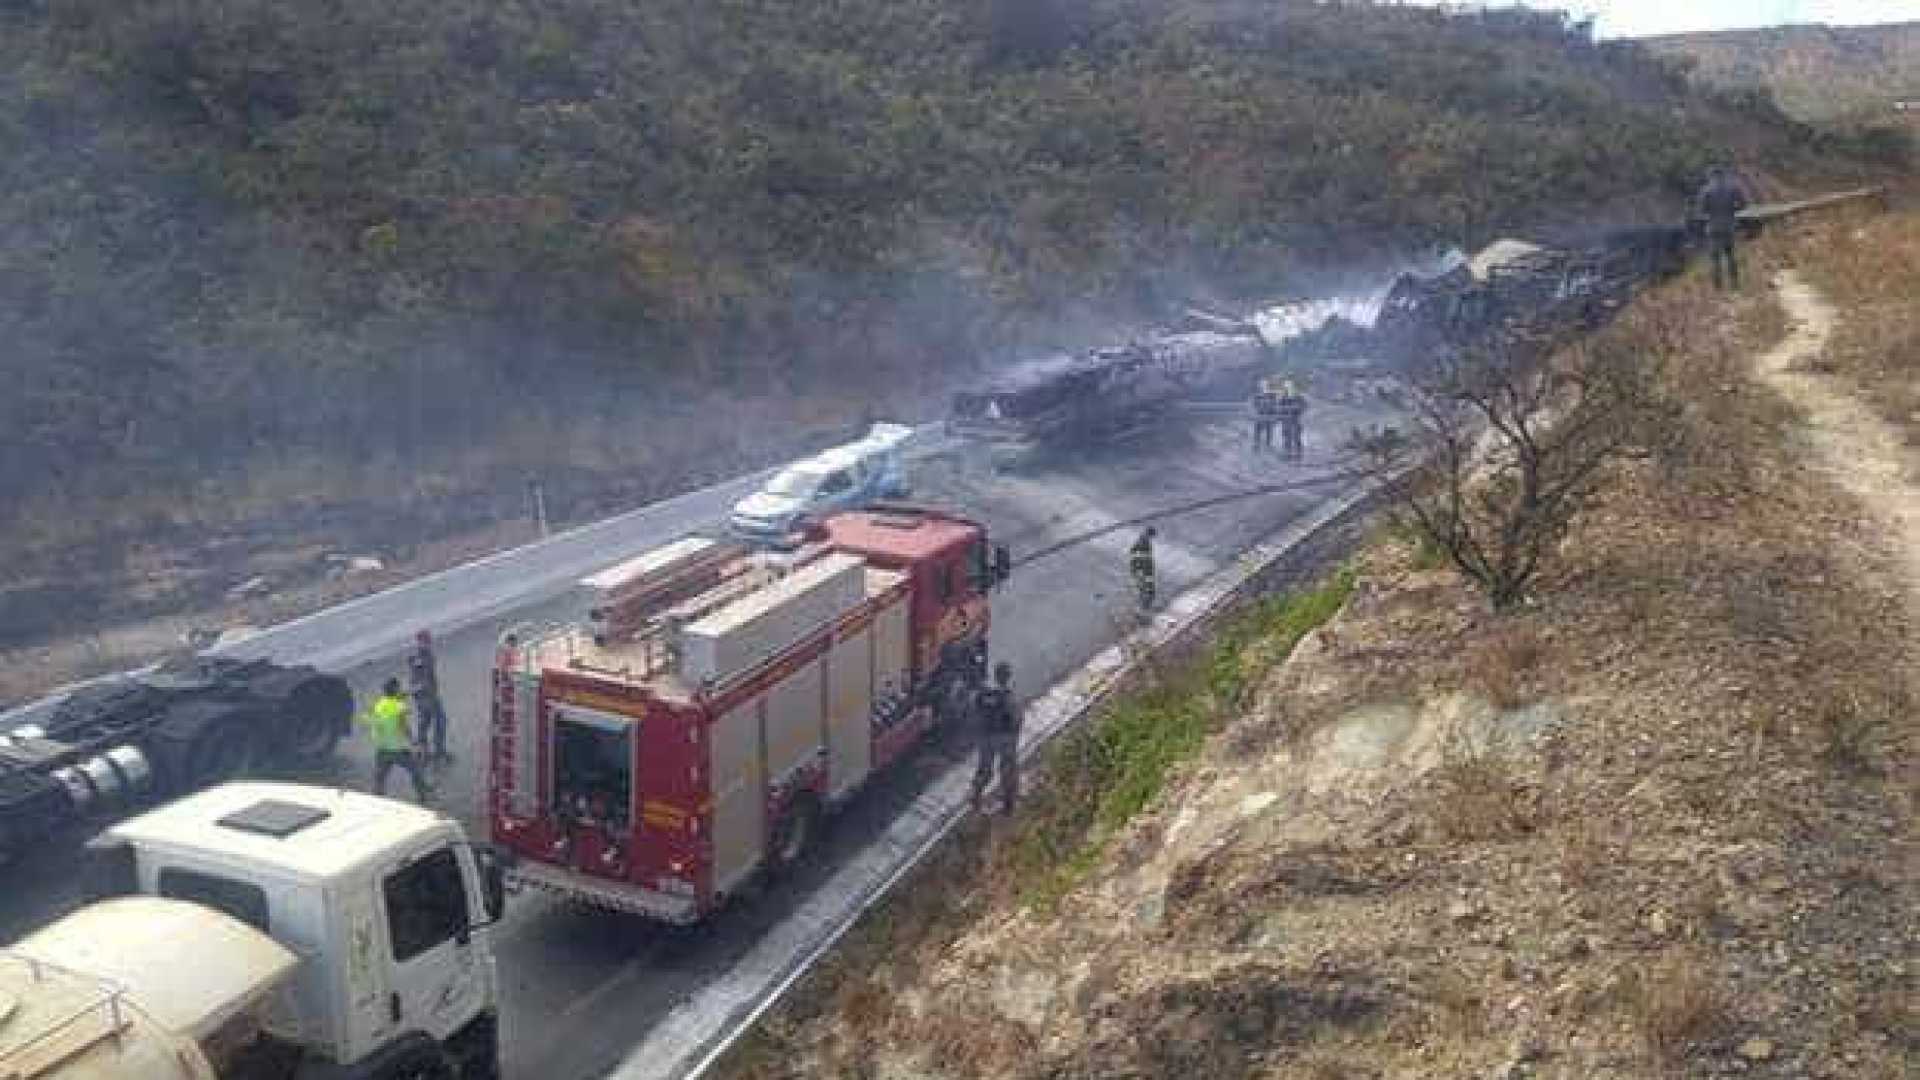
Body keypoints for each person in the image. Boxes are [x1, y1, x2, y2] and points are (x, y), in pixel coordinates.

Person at [360, 677, 432, 803]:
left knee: (380, 777)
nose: (400, 689)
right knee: (415, 769)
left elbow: (371, 718)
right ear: (395, 689)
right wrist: (414, 742)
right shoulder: (398, 706)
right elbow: (403, 726)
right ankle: (423, 794)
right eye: (398, 687)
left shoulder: (380, 704)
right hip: (397, 748)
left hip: (382, 748)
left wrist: (415, 690)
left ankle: (377, 797)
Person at [969, 662, 1021, 814]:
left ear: (996, 675)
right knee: (1008, 769)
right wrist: (1015, 733)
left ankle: (976, 797)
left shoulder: (984, 693)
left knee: (984, 769)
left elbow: (974, 711)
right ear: (1007, 676)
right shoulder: (1008, 695)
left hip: (985, 737)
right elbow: (1015, 717)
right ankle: (1008, 804)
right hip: (1005, 737)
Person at [1695, 166, 1750, 290]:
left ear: (1711, 176)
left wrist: (1710, 214)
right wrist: (1732, 210)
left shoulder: (1706, 190)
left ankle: (1718, 287)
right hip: (1729, 226)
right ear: (1723, 175)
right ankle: (1735, 285)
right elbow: (1743, 205)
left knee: (1715, 258)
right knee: (1730, 256)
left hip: (1713, 227)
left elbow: (1701, 211)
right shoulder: (1733, 188)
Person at [407, 629, 451, 764]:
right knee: (439, 722)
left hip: (426, 695)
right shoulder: (421, 658)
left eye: (428, 640)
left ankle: (424, 752)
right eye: (425, 641)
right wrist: (421, 691)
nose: (428, 643)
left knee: (426, 723)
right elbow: (419, 679)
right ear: (420, 642)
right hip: (427, 696)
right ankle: (436, 751)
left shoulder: (424, 656)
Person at [1276, 380, 1307, 461]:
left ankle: (1299, 455)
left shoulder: (1298, 397)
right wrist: (1282, 413)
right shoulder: (1283, 398)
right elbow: (1278, 408)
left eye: (1290, 387)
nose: (1288, 389)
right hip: (1286, 421)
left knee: (1297, 438)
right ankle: (1287, 455)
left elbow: (1303, 406)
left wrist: (1296, 409)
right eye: (1286, 387)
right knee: (1287, 438)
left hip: (1295, 420)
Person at [1129, 527, 1157, 613]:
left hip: (1143, 569)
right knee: (1146, 589)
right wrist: (1139, 569)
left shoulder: (1143, 541)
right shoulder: (1143, 542)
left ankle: (1144, 607)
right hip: (1143, 569)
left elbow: (1135, 555)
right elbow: (1139, 557)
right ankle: (1143, 608)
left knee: (1145, 588)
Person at [1251, 379, 1280, 452]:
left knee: (1269, 430)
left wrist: (1275, 416)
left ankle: (1268, 445)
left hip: (1269, 416)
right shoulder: (1257, 396)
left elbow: (1276, 406)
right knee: (1257, 430)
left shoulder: (1272, 396)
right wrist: (1256, 413)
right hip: (1260, 416)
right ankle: (1256, 445)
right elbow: (1254, 405)